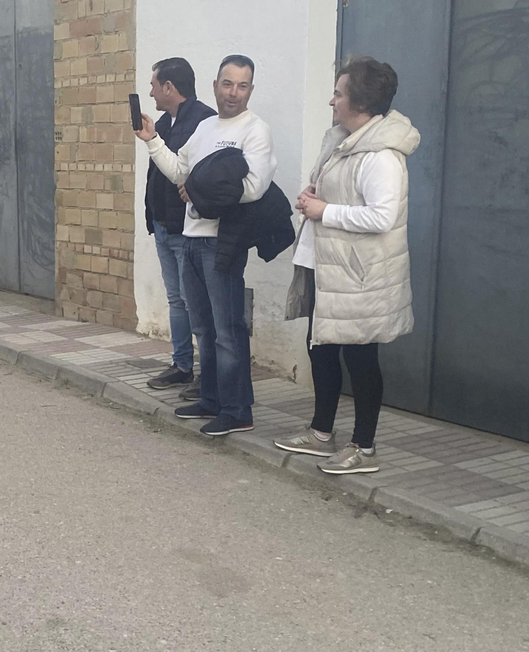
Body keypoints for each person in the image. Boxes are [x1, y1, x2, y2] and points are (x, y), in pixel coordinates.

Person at [275, 58, 419, 475]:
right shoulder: (343, 141)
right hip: (327, 265)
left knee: (360, 359)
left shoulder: (381, 156)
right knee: (321, 348)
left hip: (358, 275)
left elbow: (381, 217)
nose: (331, 100)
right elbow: (335, 197)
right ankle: (322, 434)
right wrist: (313, 196)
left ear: (358, 100)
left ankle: (364, 447)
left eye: (338, 93)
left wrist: (325, 210)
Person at [138, 56, 276, 437]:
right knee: (204, 327)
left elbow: (254, 187)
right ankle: (211, 399)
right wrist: (152, 141)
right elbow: (180, 171)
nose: (233, 93)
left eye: (242, 86)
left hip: (223, 244)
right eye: (228, 84)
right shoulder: (204, 128)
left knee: (228, 330)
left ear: (250, 90)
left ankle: (237, 410)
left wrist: (197, 193)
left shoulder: (255, 131)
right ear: (215, 85)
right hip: (192, 240)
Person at [142, 58, 215, 392]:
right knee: (176, 299)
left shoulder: (203, 122)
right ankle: (182, 365)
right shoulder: (163, 122)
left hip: (186, 230)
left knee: (196, 303)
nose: (151, 91)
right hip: (162, 225)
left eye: (155, 85)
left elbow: (187, 175)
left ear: (169, 87)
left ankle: (208, 375)